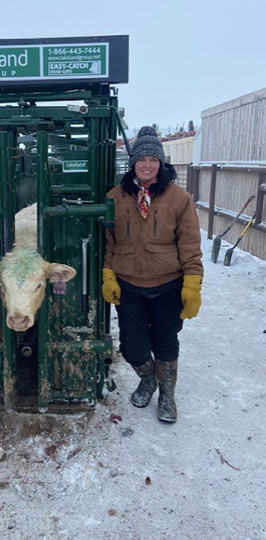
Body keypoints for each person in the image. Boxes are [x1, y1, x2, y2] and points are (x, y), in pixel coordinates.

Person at [102, 126, 203, 423]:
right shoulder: (115, 197)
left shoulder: (179, 198)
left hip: (167, 284)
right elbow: (108, 242)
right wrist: (109, 274)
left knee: (165, 342)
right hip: (129, 283)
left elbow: (189, 244)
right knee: (133, 347)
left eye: (153, 159)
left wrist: (193, 283)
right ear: (133, 162)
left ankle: (167, 395)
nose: (147, 164)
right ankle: (147, 379)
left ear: (162, 163)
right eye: (142, 158)